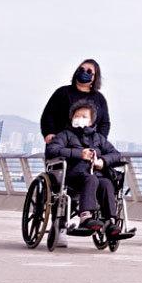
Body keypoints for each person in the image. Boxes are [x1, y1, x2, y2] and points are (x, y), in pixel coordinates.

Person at [44, 100, 125, 236]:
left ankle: (110, 221)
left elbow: (117, 155)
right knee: (91, 179)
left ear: (91, 121)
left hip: (96, 175)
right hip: (72, 176)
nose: (79, 119)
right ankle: (86, 218)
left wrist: (102, 161)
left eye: (84, 116)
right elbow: (52, 150)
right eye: (77, 115)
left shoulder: (99, 138)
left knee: (106, 183)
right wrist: (79, 154)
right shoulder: (65, 135)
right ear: (72, 118)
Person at [40, 59, 110, 142]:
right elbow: (48, 115)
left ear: (95, 77)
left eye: (89, 71)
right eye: (81, 69)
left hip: (89, 146)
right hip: (61, 144)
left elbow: (104, 123)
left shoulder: (99, 98)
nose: (84, 72)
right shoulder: (62, 92)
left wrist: (100, 141)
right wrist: (49, 133)